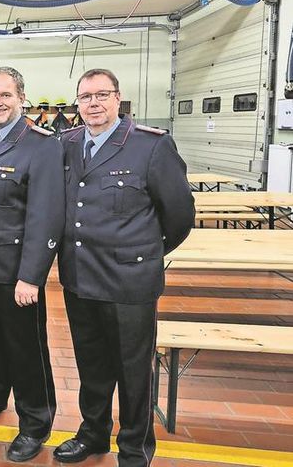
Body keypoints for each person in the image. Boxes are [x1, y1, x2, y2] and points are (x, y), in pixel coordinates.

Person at [53, 69, 195, 467]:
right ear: (77, 103)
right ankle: (93, 433)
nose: (93, 104)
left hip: (129, 282)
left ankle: (134, 448)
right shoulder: (66, 144)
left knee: (134, 372)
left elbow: (180, 215)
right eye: (85, 97)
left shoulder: (150, 146)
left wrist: (146, 251)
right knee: (92, 365)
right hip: (80, 278)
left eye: (102, 95)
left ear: (118, 99)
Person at [0, 66, 64, 462]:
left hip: (17, 270)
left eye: (5, 95)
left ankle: (35, 421)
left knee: (26, 348)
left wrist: (31, 276)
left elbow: (46, 215)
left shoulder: (42, 144)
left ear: (22, 97)